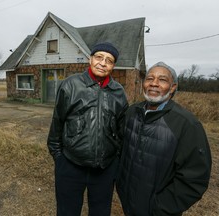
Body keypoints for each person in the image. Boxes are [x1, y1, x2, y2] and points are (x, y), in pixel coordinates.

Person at [116, 61, 212, 216]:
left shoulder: (186, 124)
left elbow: (195, 178)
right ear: (143, 83)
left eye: (162, 80)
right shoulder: (131, 113)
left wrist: (160, 207)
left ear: (173, 87)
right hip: (128, 202)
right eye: (149, 78)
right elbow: (121, 151)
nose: (154, 84)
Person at [47, 42, 129, 216]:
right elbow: (57, 123)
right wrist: (59, 159)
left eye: (109, 60)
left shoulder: (118, 92)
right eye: (99, 57)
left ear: (113, 66)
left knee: (100, 212)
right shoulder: (70, 85)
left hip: (104, 169)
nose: (103, 63)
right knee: (67, 212)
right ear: (90, 59)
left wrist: (115, 162)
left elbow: (122, 131)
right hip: (71, 165)